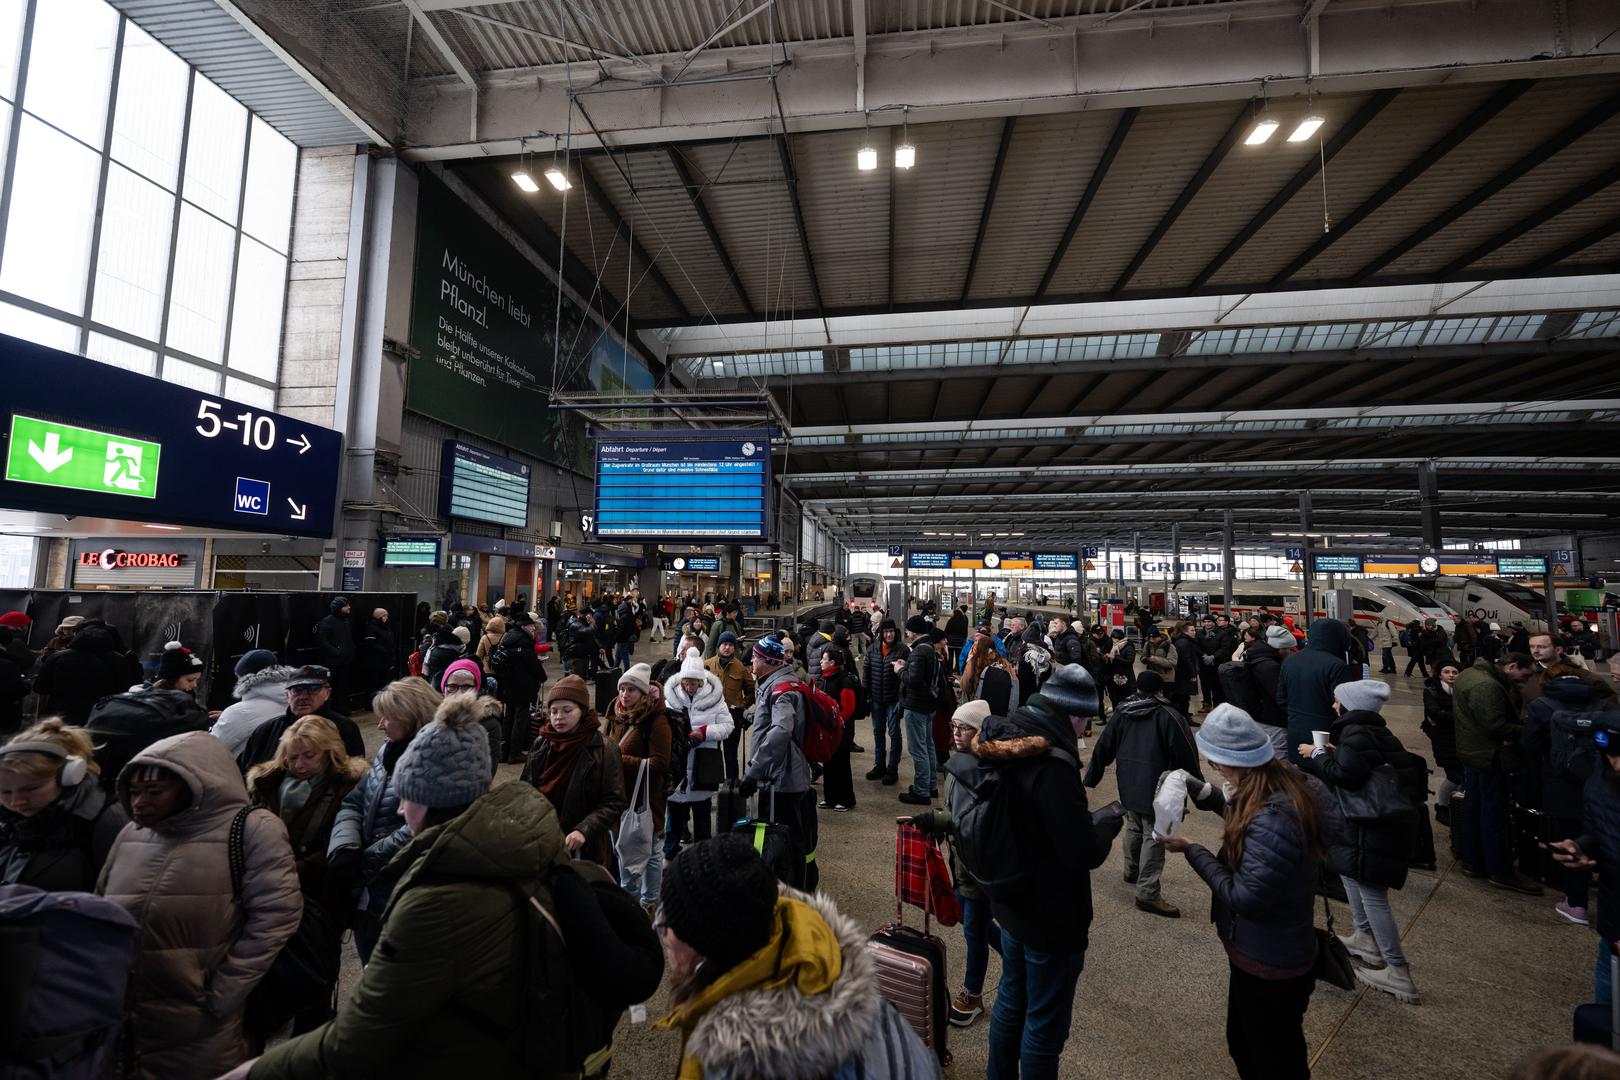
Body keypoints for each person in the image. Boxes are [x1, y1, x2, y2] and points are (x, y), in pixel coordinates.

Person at [240, 690, 663, 1080]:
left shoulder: (437, 901)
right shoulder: (523, 846)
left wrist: (253, 1072)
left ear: (427, 800)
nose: (401, 808)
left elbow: (358, 1038)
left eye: (406, 796)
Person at [97, 731, 302, 1079]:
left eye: (154, 792)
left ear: (196, 785)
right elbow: (100, 906)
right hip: (127, 1016)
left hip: (205, 1022)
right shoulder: (130, 833)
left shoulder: (253, 829)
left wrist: (222, 994)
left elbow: (276, 916)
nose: (139, 804)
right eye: (133, 792)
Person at [655, 835, 935, 1078]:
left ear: (708, 947)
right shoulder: (826, 960)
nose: (659, 928)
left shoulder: (736, 1064)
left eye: (670, 922)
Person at [1158, 705, 1338, 1080]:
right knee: (1246, 1042)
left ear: (1237, 761)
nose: (1215, 768)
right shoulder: (1280, 783)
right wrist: (1199, 789)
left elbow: (1246, 896)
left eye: (1217, 762)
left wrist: (1192, 849)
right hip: (1265, 949)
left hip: (1269, 958)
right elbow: (1240, 811)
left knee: (1269, 1057)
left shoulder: (1274, 817)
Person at [977, 664, 1116, 1080]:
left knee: (1011, 1000)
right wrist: (1107, 821)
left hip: (1011, 899)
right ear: (1072, 714)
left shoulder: (1005, 736)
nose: (1085, 729)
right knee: (1043, 1026)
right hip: (1050, 912)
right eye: (1086, 720)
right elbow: (1081, 851)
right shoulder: (1052, 764)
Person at [1297, 679, 1426, 1003]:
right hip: (1373, 821)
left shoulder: (1356, 735)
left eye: (1338, 700)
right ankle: (1363, 936)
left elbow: (1344, 776)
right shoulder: (1371, 733)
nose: (1333, 705)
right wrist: (1335, 754)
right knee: (1350, 874)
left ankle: (1397, 970)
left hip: (1373, 824)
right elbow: (1359, 768)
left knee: (1372, 894)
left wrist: (1316, 755)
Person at [246, 715, 368, 1032]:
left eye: (308, 755)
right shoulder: (266, 783)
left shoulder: (347, 788)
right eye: (292, 755)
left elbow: (338, 846)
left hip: (318, 901)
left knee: (315, 975)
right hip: (267, 895)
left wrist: (290, 869)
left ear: (330, 752)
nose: (298, 764)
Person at [328, 677, 440, 964]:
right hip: (371, 892)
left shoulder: (436, 761)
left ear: (410, 717)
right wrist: (345, 845)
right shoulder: (386, 751)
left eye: (386, 719)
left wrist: (366, 858)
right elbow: (354, 801)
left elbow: (422, 827)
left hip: (402, 889)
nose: (379, 726)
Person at [907, 699, 1003, 1027]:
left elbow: (970, 818)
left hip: (975, 865)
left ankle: (973, 993)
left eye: (965, 727)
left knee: (974, 930)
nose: (957, 732)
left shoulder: (983, 767)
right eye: (955, 727)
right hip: (960, 860)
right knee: (967, 917)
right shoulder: (961, 762)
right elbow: (955, 811)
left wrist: (936, 820)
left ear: (980, 730)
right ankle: (1016, 954)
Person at [1083, 670, 1202, 917]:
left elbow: (1104, 745)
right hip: (1159, 782)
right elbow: (1186, 753)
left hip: (1127, 777)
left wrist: (1092, 776)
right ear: (1160, 690)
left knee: (1134, 824)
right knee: (1155, 833)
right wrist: (1199, 788)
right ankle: (1147, 892)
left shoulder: (1123, 711)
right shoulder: (1169, 715)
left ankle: (1132, 869)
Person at [1524, 669, 1615, 926]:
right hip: (1602, 780)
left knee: (1571, 840)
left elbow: (1530, 746)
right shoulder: (1603, 705)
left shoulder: (1541, 705)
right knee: (1602, 833)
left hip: (1561, 783)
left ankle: (1576, 903)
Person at [1545, 712, 1620, 1015]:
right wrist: (1581, 847)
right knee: (1605, 1016)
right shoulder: (1600, 781)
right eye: (1612, 757)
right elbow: (1601, 832)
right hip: (1612, 923)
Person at [0, 719, 127, 890]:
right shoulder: (8, 821)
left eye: (31, 789)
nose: (16, 802)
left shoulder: (106, 821)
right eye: (5, 792)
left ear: (69, 777)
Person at [1454, 653, 1543, 893]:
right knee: (1495, 815)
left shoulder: (1469, 674)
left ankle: (1473, 860)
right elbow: (1494, 726)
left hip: (1472, 752)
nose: (1524, 680)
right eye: (1523, 674)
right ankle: (1500, 869)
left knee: (1474, 808)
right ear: (1511, 666)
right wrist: (1528, 730)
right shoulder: (1486, 685)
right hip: (1490, 756)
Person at [521, 675, 627, 870]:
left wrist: (584, 830)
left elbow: (614, 801)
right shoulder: (542, 743)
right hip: (542, 841)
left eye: (567, 710)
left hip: (585, 848)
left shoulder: (604, 748)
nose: (559, 717)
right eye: (553, 711)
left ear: (582, 711)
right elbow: (525, 790)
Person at [738, 635, 818, 890]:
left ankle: (794, 887)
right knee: (791, 833)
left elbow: (781, 730)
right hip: (783, 773)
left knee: (787, 835)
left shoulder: (781, 689)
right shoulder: (776, 683)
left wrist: (754, 771)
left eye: (755, 657)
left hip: (783, 777)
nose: (751, 660)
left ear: (767, 661)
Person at [604, 663, 671, 916]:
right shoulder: (615, 714)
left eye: (632, 690)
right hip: (616, 795)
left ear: (643, 693)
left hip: (644, 798)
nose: (625, 695)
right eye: (622, 688)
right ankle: (627, 895)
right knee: (620, 847)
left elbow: (660, 763)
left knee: (650, 850)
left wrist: (617, 759)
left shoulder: (656, 719)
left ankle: (647, 901)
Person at [663, 649, 735, 860]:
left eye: (694, 683)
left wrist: (705, 733)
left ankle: (703, 859)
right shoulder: (671, 700)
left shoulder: (715, 699)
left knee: (702, 820)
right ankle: (670, 857)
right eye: (686, 683)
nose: (690, 687)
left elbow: (728, 725)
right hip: (677, 767)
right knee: (673, 822)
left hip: (703, 768)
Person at [237, 665, 365, 773]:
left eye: (313, 689)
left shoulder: (344, 728)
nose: (303, 696)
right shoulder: (266, 730)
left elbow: (352, 775)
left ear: (327, 693)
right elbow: (241, 770)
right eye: (297, 690)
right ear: (287, 695)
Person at [1275, 618, 1356, 764]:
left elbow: (1281, 698)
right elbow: (1345, 704)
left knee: (1301, 777)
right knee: (1325, 774)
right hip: (1326, 734)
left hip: (1295, 730)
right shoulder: (1337, 665)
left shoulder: (1290, 660)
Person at [33, 618, 142, 725]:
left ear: (77, 634)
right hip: (103, 719)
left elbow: (41, 687)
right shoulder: (119, 660)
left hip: (64, 720)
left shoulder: (58, 657)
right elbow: (125, 690)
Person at [211, 651, 298, 756]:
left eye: (238, 677)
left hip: (243, 770)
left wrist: (229, 718)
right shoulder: (294, 700)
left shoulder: (238, 713)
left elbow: (212, 748)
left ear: (244, 678)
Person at [895, 616, 943, 806]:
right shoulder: (930, 648)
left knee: (918, 749)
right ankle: (931, 786)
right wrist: (907, 666)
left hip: (916, 705)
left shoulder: (918, 651)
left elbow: (913, 681)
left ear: (913, 631)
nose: (906, 633)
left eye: (907, 630)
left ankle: (921, 791)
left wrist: (899, 670)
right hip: (928, 705)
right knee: (928, 746)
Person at [493, 611, 546, 763]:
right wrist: (542, 677)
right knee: (520, 718)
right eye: (532, 627)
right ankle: (514, 753)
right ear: (526, 627)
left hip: (507, 684)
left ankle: (503, 752)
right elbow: (534, 667)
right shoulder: (524, 643)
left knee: (508, 716)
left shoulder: (508, 637)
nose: (534, 630)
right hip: (522, 686)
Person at [705, 631, 756, 782]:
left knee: (731, 755)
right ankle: (711, 783)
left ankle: (732, 786)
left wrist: (741, 706)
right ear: (719, 646)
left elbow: (751, 691)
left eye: (730, 645)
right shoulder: (706, 665)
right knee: (712, 752)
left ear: (735, 648)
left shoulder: (740, 668)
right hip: (711, 718)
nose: (727, 648)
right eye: (724, 644)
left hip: (732, 719)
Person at [814, 645, 860, 812]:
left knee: (841, 765)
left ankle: (846, 799)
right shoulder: (823, 678)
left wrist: (835, 722)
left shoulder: (844, 681)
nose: (821, 661)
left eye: (824, 659)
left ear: (832, 662)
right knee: (829, 763)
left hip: (840, 730)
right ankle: (830, 797)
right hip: (827, 730)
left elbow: (848, 708)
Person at [863, 618, 908, 786]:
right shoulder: (873, 648)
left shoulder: (902, 650)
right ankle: (879, 765)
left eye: (891, 631)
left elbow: (906, 678)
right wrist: (865, 693)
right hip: (876, 699)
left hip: (893, 700)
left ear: (895, 632)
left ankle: (892, 768)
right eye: (885, 632)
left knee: (894, 733)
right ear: (881, 633)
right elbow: (866, 671)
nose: (888, 634)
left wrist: (902, 700)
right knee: (877, 732)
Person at [1422, 657, 1465, 824]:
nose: (1451, 675)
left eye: (1455, 672)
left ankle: (1456, 806)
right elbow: (1435, 713)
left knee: (1462, 776)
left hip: (1460, 738)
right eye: (1446, 672)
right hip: (1443, 740)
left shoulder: (1461, 691)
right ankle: (1443, 807)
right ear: (1439, 675)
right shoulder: (1432, 691)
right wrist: (1461, 716)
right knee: (1455, 777)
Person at [313, 596, 356, 708]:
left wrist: (350, 650)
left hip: (344, 660)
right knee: (329, 686)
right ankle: (328, 709)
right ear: (338, 607)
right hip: (331, 662)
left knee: (342, 686)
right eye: (346, 606)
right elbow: (321, 640)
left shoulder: (346, 621)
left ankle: (341, 708)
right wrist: (336, 651)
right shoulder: (327, 621)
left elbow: (348, 639)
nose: (349, 607)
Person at [353, 608, 396, 703]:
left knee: (382, 683)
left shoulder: (385, 627)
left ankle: (380, 702)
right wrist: (384, 651)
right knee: (372, 684)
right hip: (374, 662)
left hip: (384, 661)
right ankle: (370, 703)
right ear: (379, 617)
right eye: (384, 616)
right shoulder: (371, 628)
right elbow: (370, 643)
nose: (386, 618)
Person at [1170, 620, 1201, 719]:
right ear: (1185, 632)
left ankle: (1184, 714)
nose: (1194, 632)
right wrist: (1193, 674)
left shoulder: (1180, 640)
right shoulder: (1185, 643)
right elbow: (1187, 659)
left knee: (1181, 696)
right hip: (1184, 674)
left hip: (1180, 673)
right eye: (1192, 630)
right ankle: (1185, 717)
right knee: (1184, 697)